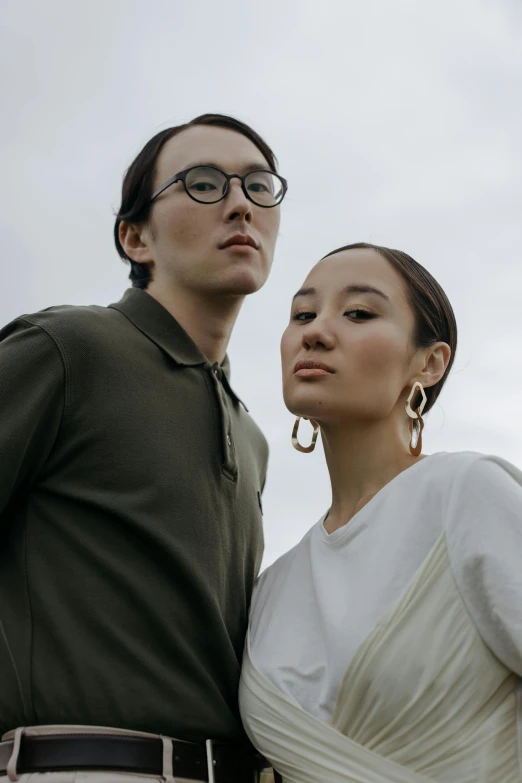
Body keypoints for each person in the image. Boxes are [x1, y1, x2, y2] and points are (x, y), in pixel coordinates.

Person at [0, 113, 286, 783]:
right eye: (205, 183)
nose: (240, 202)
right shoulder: (68, 349)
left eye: (259, 186)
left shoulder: (254, 437)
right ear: (136, 237)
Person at [240, 242, 522, 783]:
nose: (315, 332)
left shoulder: (466, 494)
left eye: (359, 313)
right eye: (302, 314)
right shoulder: (272, 590)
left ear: (430, 362)